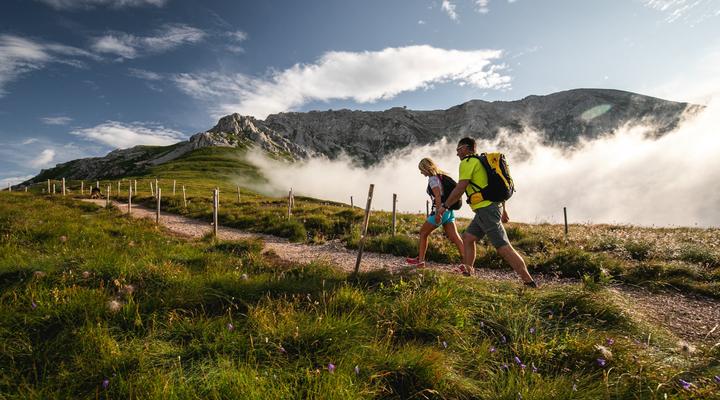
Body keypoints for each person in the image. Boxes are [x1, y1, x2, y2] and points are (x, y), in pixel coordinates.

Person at [437, 137, 538, 287]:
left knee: (503, 246)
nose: (457, 154)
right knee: (468, 237)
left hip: (486, 210)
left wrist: (445, 206)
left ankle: (529, 282)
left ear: (465, 148)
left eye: (458, 150)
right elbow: (495, 188)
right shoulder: (482, 162)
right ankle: (467, 272)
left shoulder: (468, 162)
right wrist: (503, 210)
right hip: (489, 208)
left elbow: (460, 188)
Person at [406, 158, 465, 268]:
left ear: (426, 168)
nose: (421, 172)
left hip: (440, 211)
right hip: (449, 211)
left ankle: (421, 261)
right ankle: (467, 262)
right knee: (455, 238)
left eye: (421, 170)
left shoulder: (432, 179)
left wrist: (438, 213)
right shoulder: (441, 176)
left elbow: (438, 196)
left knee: (423, 233)